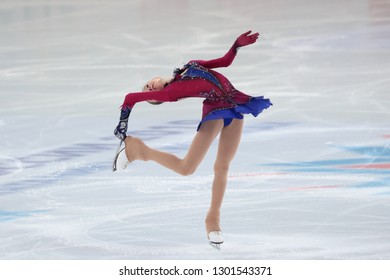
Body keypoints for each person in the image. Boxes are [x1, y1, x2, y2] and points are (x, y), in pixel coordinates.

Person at [113, 31, 272, 245]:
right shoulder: (170, 94)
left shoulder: (189, 66)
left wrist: (237, 44)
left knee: (223, 166)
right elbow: (130, 98)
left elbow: (224, 62)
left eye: (147, 84)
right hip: (215, 111)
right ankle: (139, 150)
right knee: (186, 168)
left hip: (235, 104)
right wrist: (123, 123)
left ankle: (213, 219)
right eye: (149, 92)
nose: (149, 87)